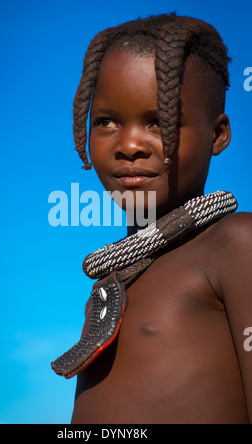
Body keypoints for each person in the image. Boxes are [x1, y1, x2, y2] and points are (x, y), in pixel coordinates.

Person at [52, 12, 252, 424]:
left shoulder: (235, 244)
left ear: (217, 136)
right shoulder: (116, 279)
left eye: (160, 122)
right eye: (106, 121)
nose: (128, 145)